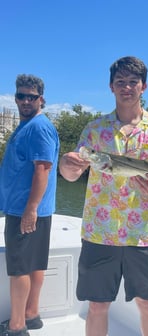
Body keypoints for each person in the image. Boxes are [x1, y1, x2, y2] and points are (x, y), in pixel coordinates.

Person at [59, 56, 148, 336]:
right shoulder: (94, 129)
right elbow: (73, 173)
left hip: (144, 231)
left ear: (144, 86)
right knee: (97, 306)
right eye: (120, 82)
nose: (127, 87)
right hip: (100, 232)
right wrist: (67, 163)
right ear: (111, 87)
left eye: (132, 82)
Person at [0, 75, 60, 336]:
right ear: (15, 98)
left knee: (19, 268)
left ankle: (16, 326)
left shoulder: (38, 127)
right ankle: (31, 315)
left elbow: (43, 170)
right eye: (21, 96)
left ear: (41, 99)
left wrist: (30, 209)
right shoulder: (28, 125)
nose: (25, 101)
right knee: (34, 264)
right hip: (30, 210)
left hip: (25, 211)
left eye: (31, 97)